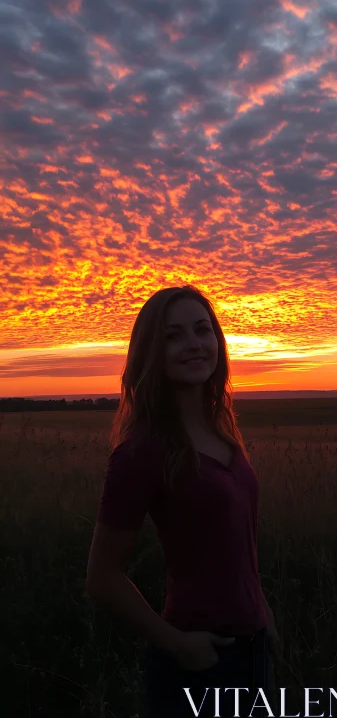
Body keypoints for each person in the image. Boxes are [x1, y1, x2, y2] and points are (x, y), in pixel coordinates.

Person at [85, 285, 282, 717]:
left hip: (252, 651)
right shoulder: (142, 452)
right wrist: (177, 644)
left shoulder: (223, 434)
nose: (194, 344)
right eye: (174, 336)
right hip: (199, 659)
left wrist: (262, 614)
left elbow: (237, 546)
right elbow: (102, 576)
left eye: (202, 330)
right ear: (151, 351)